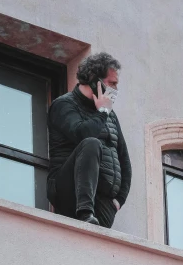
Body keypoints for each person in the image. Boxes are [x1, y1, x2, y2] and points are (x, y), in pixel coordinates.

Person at [47, 52, 132, 227]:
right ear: (95, 81)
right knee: (92, 143)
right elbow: (82, 135)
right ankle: (85, 212)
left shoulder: (110, 114)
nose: (115, 90)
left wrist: (118, 201)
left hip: (105, 205)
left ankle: (91, 213)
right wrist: (102, 112)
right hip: (69, 194)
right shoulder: (64, 104)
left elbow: (124, 159)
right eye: (112, 83)